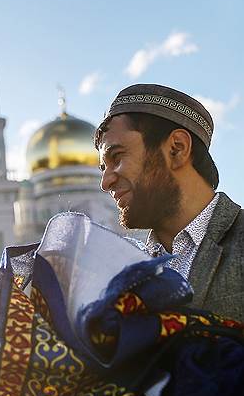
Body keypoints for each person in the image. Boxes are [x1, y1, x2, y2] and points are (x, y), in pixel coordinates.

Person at [95, 83, 244, 322]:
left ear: (177, 149)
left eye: (117, 157)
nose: (106, 182)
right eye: (103, 168)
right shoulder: (125, 268)